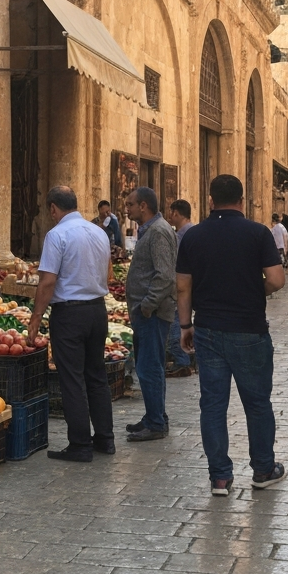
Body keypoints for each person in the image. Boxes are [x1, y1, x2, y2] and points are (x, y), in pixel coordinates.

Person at [177, 175, 286, 496]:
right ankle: (264, 469)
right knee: (257, 404)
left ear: (210, 201)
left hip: (208, 329)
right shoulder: (258, 233)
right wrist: (256, 291)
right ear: (242, 201)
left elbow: (182, 286)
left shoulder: (194, 236)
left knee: (212, 405)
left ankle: (220, 477)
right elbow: (278, 279)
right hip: (250, 329)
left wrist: (185, 326)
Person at [30, 186, 114, 462]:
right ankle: (105, 438)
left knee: (72, 379)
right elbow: (110, 274)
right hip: (97, 310)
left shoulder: (57, 235)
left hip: (70, 315)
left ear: (53, 208)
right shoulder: (98, 232)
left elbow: (48, 282)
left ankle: (79, 444)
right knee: (96, 375)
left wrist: (35, 319)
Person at [123, 187, 177, 441]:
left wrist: (147, 304)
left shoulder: (157, 232)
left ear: (143, 206)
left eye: (130, 204)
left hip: (152, 314)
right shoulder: (152, 230)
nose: (127, 208)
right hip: (147, 312)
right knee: (150, 365)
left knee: (148, 368)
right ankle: (154, 415)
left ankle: (155, 422)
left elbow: (165, 275)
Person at [165, 199, 195, 377]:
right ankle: (188, 356)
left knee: (178, 321)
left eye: (171, 213)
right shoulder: (193, 232)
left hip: (184, 285)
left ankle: (181, 360)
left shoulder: (183, 235)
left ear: (176, 213)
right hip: (192, 284)